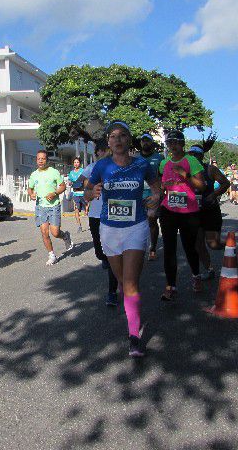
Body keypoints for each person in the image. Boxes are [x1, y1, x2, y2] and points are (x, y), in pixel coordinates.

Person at [85, 121, 161, 357]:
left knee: (130, 284)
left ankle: (134, 336)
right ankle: (129, 304)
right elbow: (86, 191)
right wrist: (92, 192)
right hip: (109, 229)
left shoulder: (141, 164)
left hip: (135, 227)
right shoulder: (101, 166)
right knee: (122, 281)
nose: (118, 140)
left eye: (123, 136)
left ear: (130, 140)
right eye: (113, 136)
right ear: (108, 141)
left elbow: (156, 186)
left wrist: (156, 197)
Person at [158, 130, 206, 300]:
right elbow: (162, 185)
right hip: (168, 209)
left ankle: (196, 275)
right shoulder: (164, 163)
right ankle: (171, 286)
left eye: (176, 142)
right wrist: (163, 187)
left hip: (189, 211)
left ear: (182, 144)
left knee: (189, 247)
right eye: (170, 143)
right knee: (169, 249)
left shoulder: (191, 161)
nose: (173, 146)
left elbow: (201, 185)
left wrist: (185, 175)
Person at [81, 140, 119, 307]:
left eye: (106, 151)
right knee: (98, 247)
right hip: (95, 213)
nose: (104, 154)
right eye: (101, 152)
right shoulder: (92, 168)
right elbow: (84, 189)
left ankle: (112, 291)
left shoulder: (117, 166)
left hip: (114, 215)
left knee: (113, 251)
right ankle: (103, 257)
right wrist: (91, 187)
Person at [188, 137, 230, 280]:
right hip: (194, 212)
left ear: (201, 156)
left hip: (210, 210)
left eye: (196, 155)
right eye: (190, 155)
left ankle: (230, 245)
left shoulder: (210, 169)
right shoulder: (186, 171)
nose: (193, 157)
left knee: (213, 244)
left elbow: (225, 183)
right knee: (198, 244)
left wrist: (213, 195)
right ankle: (209, 269)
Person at [28, 150, 73, 265]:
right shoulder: (34, 175)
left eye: (43, 158)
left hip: (54, 206)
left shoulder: (54, 172)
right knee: (44, 232)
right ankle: (52, 255)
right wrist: (31, 194)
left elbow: (62, 187)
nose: (41, 161)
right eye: (39, 159)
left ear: (47, 160)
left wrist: (54, 193)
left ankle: (65, 236)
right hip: (40, 207)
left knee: (55, 233)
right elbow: (30, 188)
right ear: (36, 160)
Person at [140, 133, 165, 261]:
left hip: (153, 193)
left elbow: (162, 176)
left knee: (152, 219)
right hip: (138, 194)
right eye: (143, 141)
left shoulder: (159, 157)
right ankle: (138, 248)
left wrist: (160, 191)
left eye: (147, 141)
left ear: (152, 143)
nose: (145, 143)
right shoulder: (136, 158)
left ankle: (153, 248)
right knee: (138, 222)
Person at [67, 157, 86, 233]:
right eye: (74, 162)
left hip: (83, 193)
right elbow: (69, 181)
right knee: (76, 210)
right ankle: (79, 226)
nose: (76, 164)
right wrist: (70, 183)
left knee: (87, 211)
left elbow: (87, 180)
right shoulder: (71, 173)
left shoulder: (83, 171)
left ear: (80, 163)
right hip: (75, 193)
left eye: (77, 162)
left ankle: (93, 224)